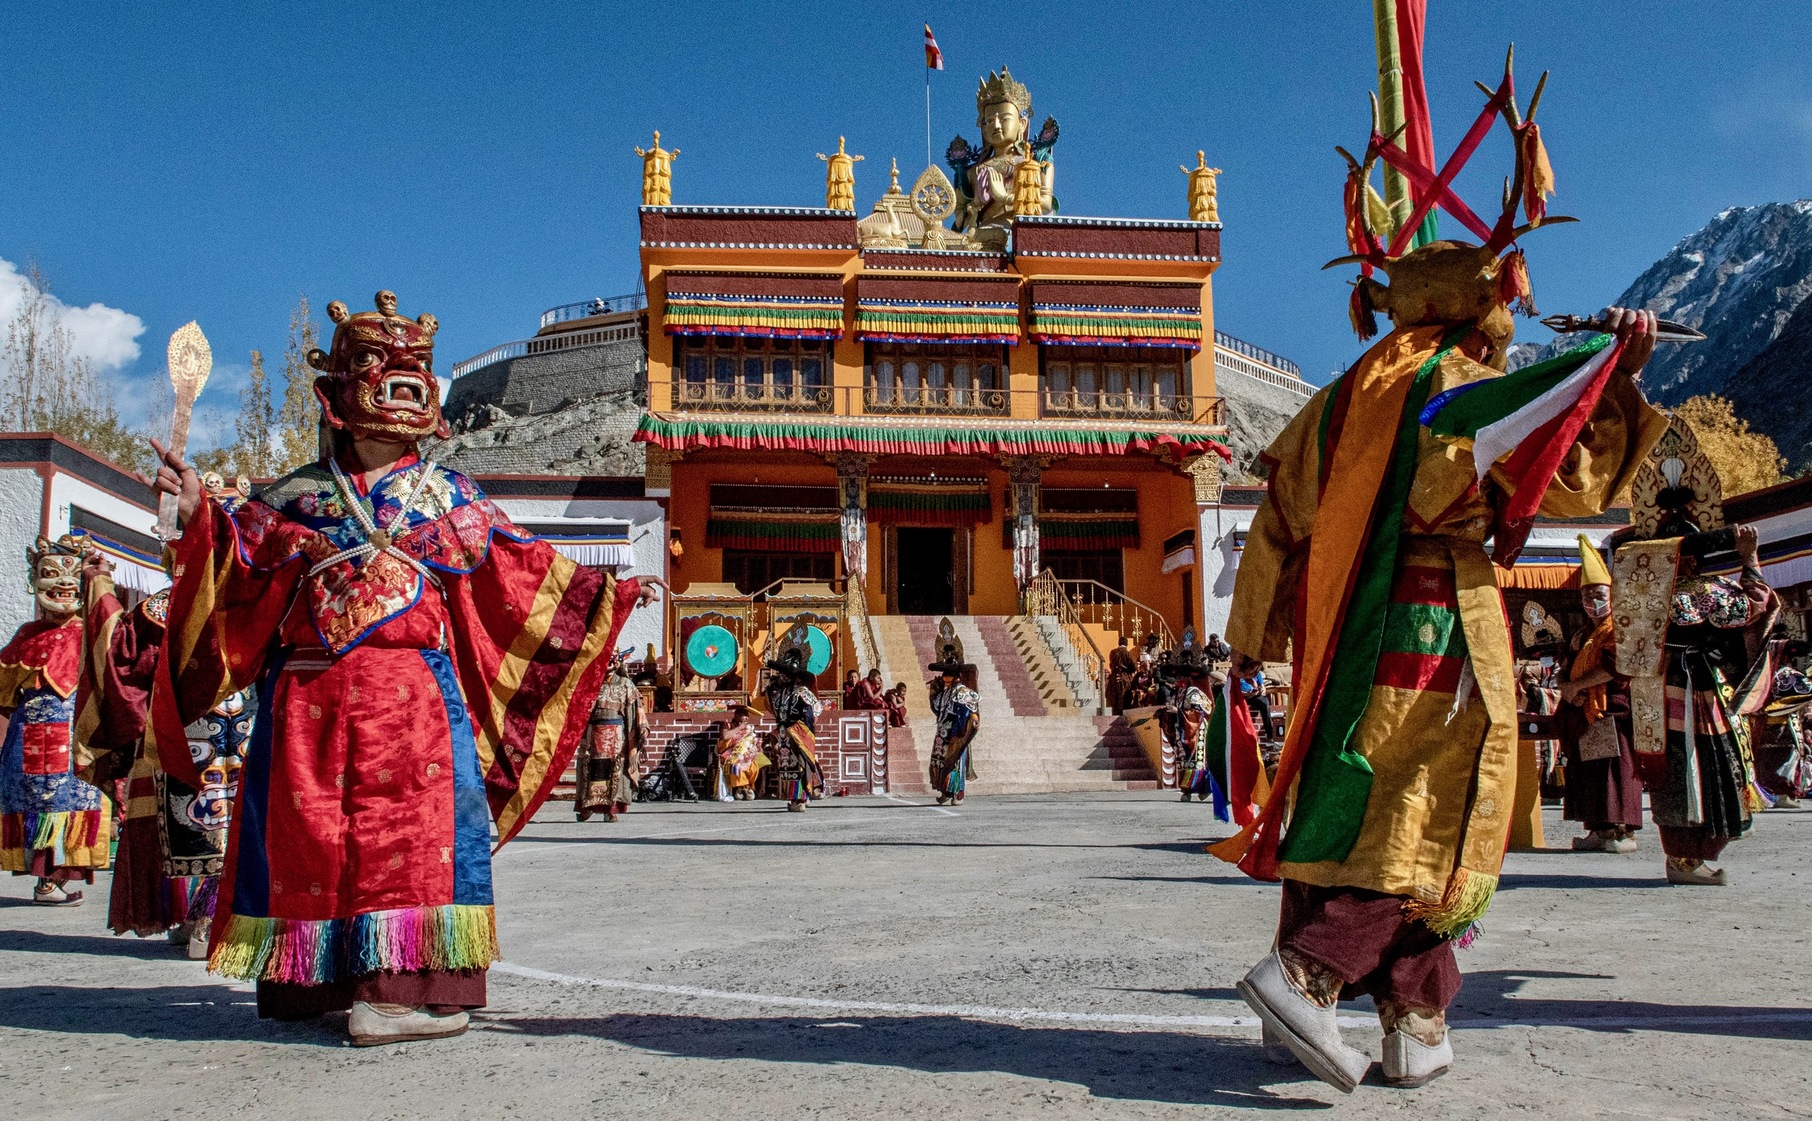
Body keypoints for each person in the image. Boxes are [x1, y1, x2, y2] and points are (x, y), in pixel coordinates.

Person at [1214, 64, 1669, 1090]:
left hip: (1343, 634)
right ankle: (1308, 973)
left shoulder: (1338, 394)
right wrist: (1614, 388)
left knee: (1347, 803)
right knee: (1424, 805)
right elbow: (1551, 485)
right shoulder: (1457, 385)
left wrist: (1263, 639)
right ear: (1481, 296)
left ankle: (1415, 1016)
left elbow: (1279, 515)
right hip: (1433, 630)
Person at [143, 291, 661, 1046]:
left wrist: (606, 592)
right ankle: (315, 982)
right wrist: (195, 513)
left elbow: (523, 573)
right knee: (310, 836)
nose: (404, 379)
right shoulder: (293, 497)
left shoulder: (451, 495)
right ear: (337, 389)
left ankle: (395, 992)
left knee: (410, 843)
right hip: (308, 698)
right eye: (377, 365)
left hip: (413, 701)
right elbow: (236, 561)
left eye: (416, 366)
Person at [1610, 431, 1776, 886]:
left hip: (1663, 692)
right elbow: (1753, 606)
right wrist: (1752, 559)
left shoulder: (1637, 594)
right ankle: (1686, 858)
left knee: (1689, 768)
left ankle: (1686, 858)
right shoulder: (1702, 593)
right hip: (1695, 688)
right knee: (1700, 766)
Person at [78, 536, 255, 956]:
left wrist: (101, 589)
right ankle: (206, 918)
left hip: (183, 731)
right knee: (223, 818)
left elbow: (120, 655)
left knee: (201, 817)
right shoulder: (251, 607)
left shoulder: (162, 609)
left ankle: (202, 917)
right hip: (239, 728)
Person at [1, 535, 111, 906]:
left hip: (76, 732)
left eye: (72, 578)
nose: (63, 585)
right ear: (35, 581)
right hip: (29, 734)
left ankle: (53, 880)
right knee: (35, 806)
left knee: (73, 804)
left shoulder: (92, 633)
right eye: (51, 575)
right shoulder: (27, 636)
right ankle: (45, 883)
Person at [1557, 535, 1643, 854]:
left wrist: (1577, 687)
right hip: (1587, 711)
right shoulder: (1582, 634)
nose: (1593, 602)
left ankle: (1620, 833)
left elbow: (1616, 666)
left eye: (1599, 595)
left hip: (1613, 709)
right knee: (1592, 772)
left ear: (1612, 596)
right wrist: (1570, 691)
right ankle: (1597, 829)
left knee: (1615, 772)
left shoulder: (1618, 628)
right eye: (1587, 597)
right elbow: (1566, 667)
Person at [576, 651, 644, 823]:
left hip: (616, 736)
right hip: (592, 734)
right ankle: (587, 807)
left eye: (612, 658)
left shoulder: (625, 684)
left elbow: (634, 712)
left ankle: (611, 809)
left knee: (614, 772)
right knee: (590, 771)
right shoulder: (591, 684)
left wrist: (640, 728)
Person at [764, 630, 824, 811]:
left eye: (786, 673)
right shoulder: (780, 692)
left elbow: (814, 712)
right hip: (785, 735)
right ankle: (794, 799)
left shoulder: (802, 692)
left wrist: (797, 731)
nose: (782, 676)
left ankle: (800, 800)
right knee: (789, 768)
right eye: (781, 673)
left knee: (800, 767)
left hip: (798, 735)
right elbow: (773, 709)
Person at [927, 629, 980, 806]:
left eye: (948, 674)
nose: (945, 677)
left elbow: (968, 712)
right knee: (941, 762)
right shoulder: (945, 692)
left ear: (956, 676)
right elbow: (937, 709)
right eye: (944, 674)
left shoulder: (963, 692)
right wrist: (933, 693)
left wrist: (960, 732)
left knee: (956, 762)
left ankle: (958, 793)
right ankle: (946, 791)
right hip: (943, 732)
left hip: (956, 732)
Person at [715, 706, 768, 801]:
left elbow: (754, 742)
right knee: (739, 763)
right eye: (744, 715)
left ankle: (758, 791)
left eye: (747, 716)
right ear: (736, 716)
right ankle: (744, 788)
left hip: (748, 752)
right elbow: (725, 736)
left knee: (763, 762)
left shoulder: (750, 728)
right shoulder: (728, 724)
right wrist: (740, 727)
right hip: (731, 752)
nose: (747, 718)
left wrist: (758, 747)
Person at [1107, 636, 1137, 714]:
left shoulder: (1112, 652)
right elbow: (1134, 667)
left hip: (1114, 678)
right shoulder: (1127, 653)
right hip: (1125, 677)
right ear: (1126, 644)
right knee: (1125, 697)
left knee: (1115, 697)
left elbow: (1111, 665)